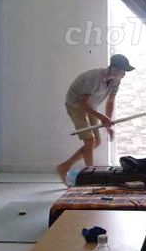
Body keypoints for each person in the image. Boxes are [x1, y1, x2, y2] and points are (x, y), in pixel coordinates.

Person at [56, 53, 135, 183]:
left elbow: (110, 102)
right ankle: (90, 177)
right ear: (114, 69)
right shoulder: (94, 78)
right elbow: (82, 104)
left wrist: (108, 124)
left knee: (96, 142)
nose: (124, 75)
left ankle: (64, 167)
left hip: (91, 106)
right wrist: (103, 118)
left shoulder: (116, 81)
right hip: (76, 106)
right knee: (89, 141)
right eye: (123, 71)